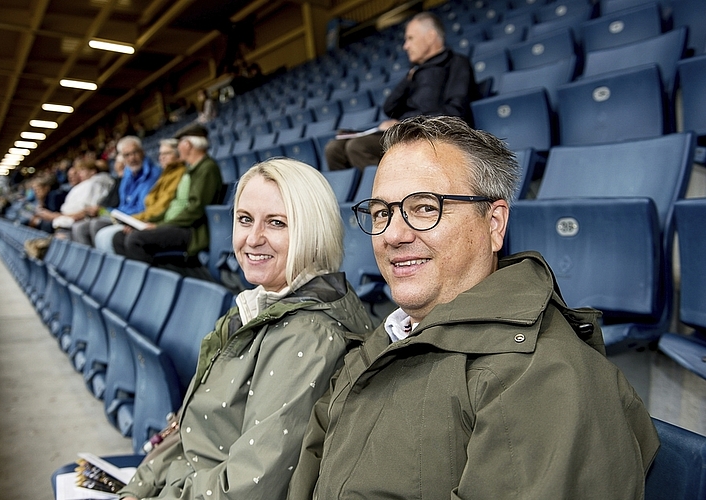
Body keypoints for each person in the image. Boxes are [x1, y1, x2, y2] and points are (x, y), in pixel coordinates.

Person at [287, 116, 660, 499]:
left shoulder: (542, 376)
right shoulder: (384, 338)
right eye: (382, 212)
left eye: (424, 208)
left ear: (494, 223)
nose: (394, 235)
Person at [116, 158, 374, 500]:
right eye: (245, 219)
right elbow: (189, 430)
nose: (253, 239)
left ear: (312, 230)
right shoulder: (257, 304)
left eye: (277, 223)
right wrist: (138, 487)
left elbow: (246, 487)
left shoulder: (307, 335)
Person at [325, 11, 481, 171]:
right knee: (333, 149)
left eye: (410, 38)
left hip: (427, 136)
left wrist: (406, 125)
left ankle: (388, 194)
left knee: (357, 147)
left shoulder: (456, 63)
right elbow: (389, 108)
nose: (405, 46)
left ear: (430, 36)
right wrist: (408, 79)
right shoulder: (414, 72)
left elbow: (455, 112)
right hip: (403, 133)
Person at [111, 123, 221, 264]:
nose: (178, 148)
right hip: (175, 224)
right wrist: (149, 222)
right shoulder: (192, 170)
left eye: (179, 143)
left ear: (187, 145)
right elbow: (172, 206)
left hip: (191, 230)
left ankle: (153, 282)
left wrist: (161, 225)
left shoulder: (207, 168)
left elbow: (195, 210)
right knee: (119, 237)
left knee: (135, 239)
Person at [92, 139, 187, 253]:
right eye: (161, 154)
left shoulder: (161, 173)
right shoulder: (164, 174)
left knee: (118, 237)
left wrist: (136, 220)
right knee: (100, 230)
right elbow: (150, 202)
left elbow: (158, 206)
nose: (161, 157)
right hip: (140, 218)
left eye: (166, 153)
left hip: (151, 219)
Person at [70, 136, 161, 246]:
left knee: (97, 225)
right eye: (127, 155)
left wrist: (121, 216)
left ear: (142, 152)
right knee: (81, 227)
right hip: (124, 216)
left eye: (135, 153)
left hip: (137, 217)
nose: (132, 158)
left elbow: (144, 206)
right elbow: (123, 203)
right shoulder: (128, 173)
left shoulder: (154, 173)